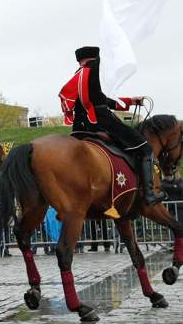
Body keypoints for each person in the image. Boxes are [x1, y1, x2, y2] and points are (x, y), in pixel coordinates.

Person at [59, 46, 164, 205]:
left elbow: (102, 99)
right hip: (101, 122)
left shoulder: (79, 77)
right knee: (145, 148)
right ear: (95, 59)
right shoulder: (93, 71)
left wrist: (130, 101)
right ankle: (149, 194)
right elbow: (102, 103)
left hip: (80, 127)